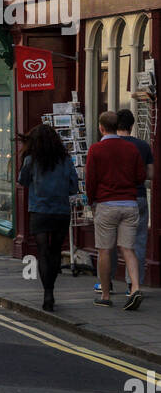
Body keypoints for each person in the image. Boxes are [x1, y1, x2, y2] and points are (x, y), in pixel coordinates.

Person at [86, 110, 146, 310]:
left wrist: (91, 201)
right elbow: (140, 177)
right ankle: (135, 288)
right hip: (130, 204)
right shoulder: (132, 149)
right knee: (128, 249)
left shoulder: (95, 150)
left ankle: (105, 295)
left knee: (104, 250)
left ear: (101, 128)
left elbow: (90, 180)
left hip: (106, 204)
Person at [17, 124, 79, 311]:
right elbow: (73, 187)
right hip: (61, 211)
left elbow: (22, 181)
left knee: (43, 253)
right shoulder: (66, 160)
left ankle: (48, 293)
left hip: (40, 211)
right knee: (55, 252)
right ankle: (51, 290)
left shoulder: (31, 160)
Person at [112, 108, 154, 291]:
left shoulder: (107, 145)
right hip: (138, 198)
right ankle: (134, 285)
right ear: (132, 125)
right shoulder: (143, 146)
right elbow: (151, 174)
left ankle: (107, 284)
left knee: (108, 243)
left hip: (112, 199)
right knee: (138, 242)